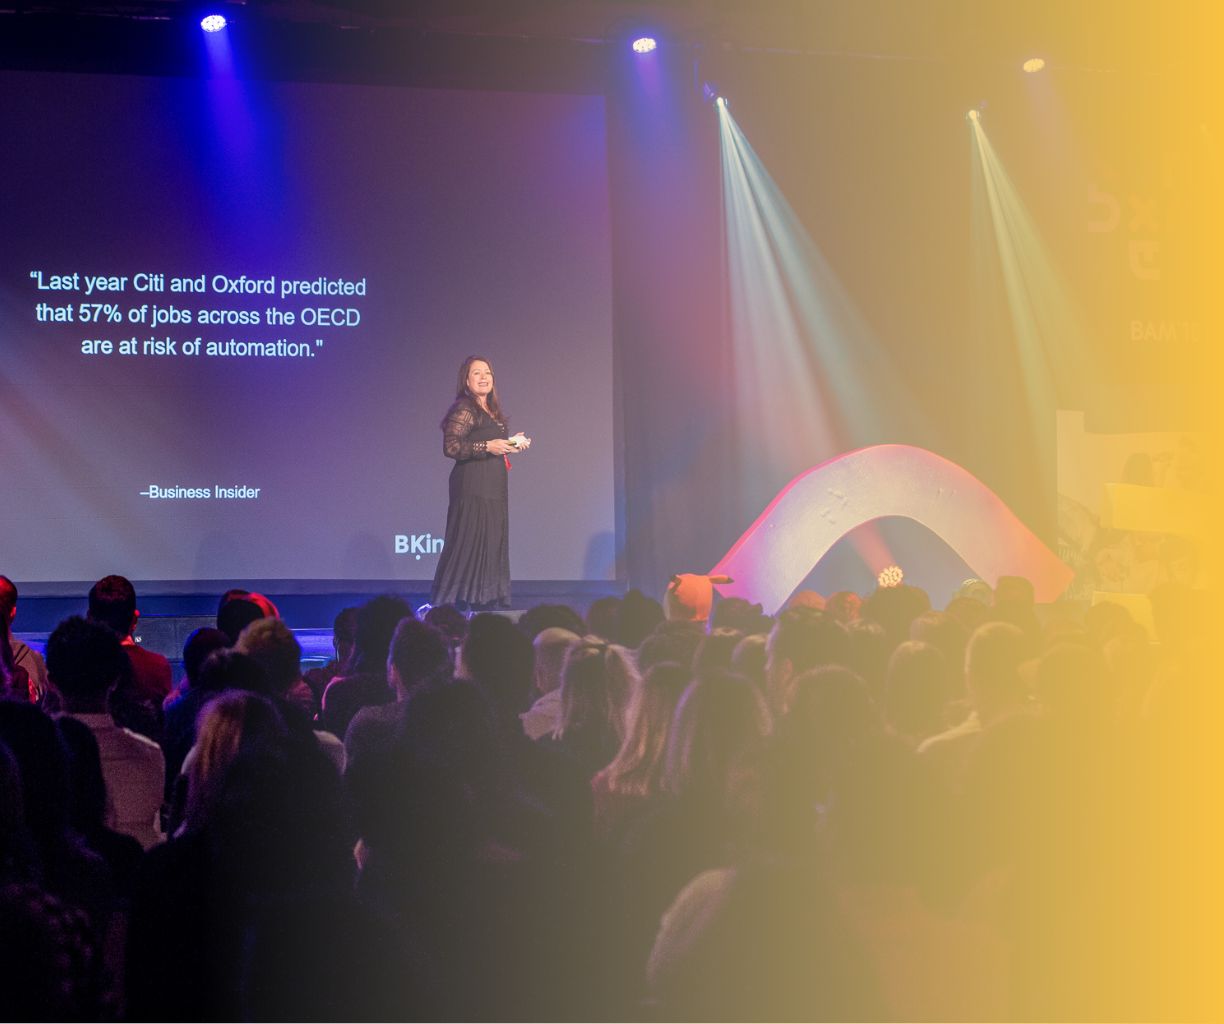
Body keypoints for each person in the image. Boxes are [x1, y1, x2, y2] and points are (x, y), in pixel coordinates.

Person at [430, 356, 530, 610]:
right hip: (472, 486)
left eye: (487, 372)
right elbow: (451, 447)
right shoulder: (464, 408)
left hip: (494, 487)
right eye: (477, 373)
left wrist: (510, 443)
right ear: (466, 380)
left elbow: (493, 445)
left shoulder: (491, 410)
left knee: (491, 539)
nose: (484, 377)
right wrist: (488, 445)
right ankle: (450, 605)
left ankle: (486, 600)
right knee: (468, 540)